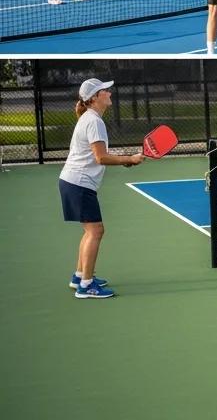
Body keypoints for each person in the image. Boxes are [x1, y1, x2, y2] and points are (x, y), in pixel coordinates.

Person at [59, 78, 144, 299]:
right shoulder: (94, 121)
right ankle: (86, 286)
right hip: (78, 183)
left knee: (90, 231)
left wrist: (127, 160)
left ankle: (80, 276)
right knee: (96, 231)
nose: (109, 93)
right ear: (95, 97)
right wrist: (130, 159)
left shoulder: (90, 117)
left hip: (72, 182)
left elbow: (100, 157)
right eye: (105, 91)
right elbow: (100, 157)